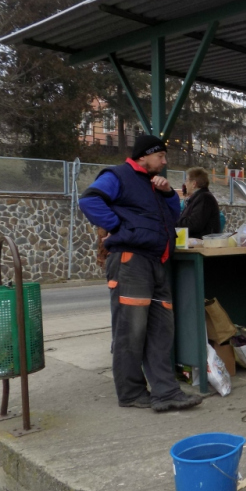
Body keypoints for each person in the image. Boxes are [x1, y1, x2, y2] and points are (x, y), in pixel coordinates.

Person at [78, 135, 202, 412]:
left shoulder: (154, 185)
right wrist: (119, 227)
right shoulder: (118, 176)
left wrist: (169, 193)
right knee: (130, 331)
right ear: (144, 155)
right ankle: (131, 392)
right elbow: (89, 201)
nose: (165, 161)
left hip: (156, 262)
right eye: (161, 156)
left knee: (161, 330)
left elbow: (174, 217)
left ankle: (166, 392)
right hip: (130, 261)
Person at [177, 167, 221, 238]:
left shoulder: (204, 198)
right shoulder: (198, 198)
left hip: (202, 245)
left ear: (194, 184)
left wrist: (175, 221)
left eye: (187, 181)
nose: (185, 184)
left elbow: (194, 224)